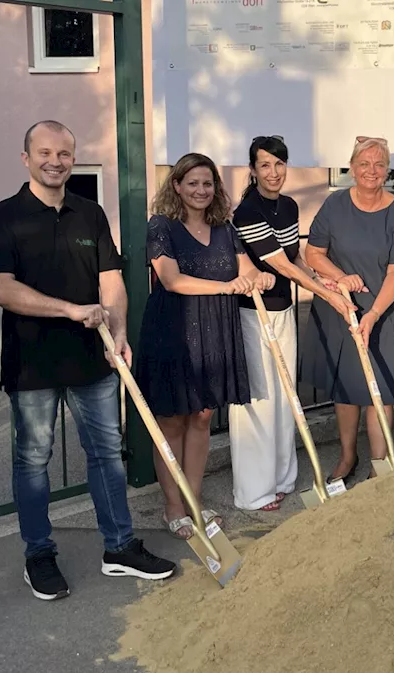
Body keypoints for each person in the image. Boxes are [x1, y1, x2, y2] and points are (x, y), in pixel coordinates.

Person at [0, 120, 176, 601]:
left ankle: (119, 546)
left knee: (107, 454)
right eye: (44, 152)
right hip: (33, 364)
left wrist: (120, 331)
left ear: (74, 158)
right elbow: (0, 289)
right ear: (25, 158)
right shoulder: (2, 217)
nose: (55, 161)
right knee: (33, 460)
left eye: (64, 153)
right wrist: (72, 310)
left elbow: (111, 281)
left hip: (94, 357)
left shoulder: (89, 214)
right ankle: (39, 555)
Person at [134, 152, 274, 536]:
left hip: (215, 331)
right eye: (192, 182)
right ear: (176, 185)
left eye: (207, 183)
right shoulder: (161, 226)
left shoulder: (225, 229)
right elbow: (171, 280)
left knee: (202, 417)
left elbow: (247, 269)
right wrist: (227, 287)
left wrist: (260, 279)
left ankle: (194, 502)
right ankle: (173, 507)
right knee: (172, 421)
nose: (200, 190)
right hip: (173, 331)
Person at [229, 136, 355, 511]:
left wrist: (323, 282)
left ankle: (281, 478)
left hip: (283, 311)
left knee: (285, 396)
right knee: (259, 399)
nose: (273, 172)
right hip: (254, 315)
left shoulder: (288, 205)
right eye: (265, 165)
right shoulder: (246, 211)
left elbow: (294, 258)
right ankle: (253, 491)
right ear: (252, 170)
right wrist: (328, 296)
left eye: (279, 164)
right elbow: (278, 266)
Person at [303, 136, 394, 481]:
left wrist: (373, 313)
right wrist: (341, 278)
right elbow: (313, 254)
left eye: (379, 164)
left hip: (382, 312)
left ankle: (378, 467)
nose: (371, 170)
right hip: (341, 308)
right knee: (347, 390)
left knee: (380, 392)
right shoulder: (335, 204)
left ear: (387, 171)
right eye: (364, 163)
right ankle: (347, 457)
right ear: (351, 168)